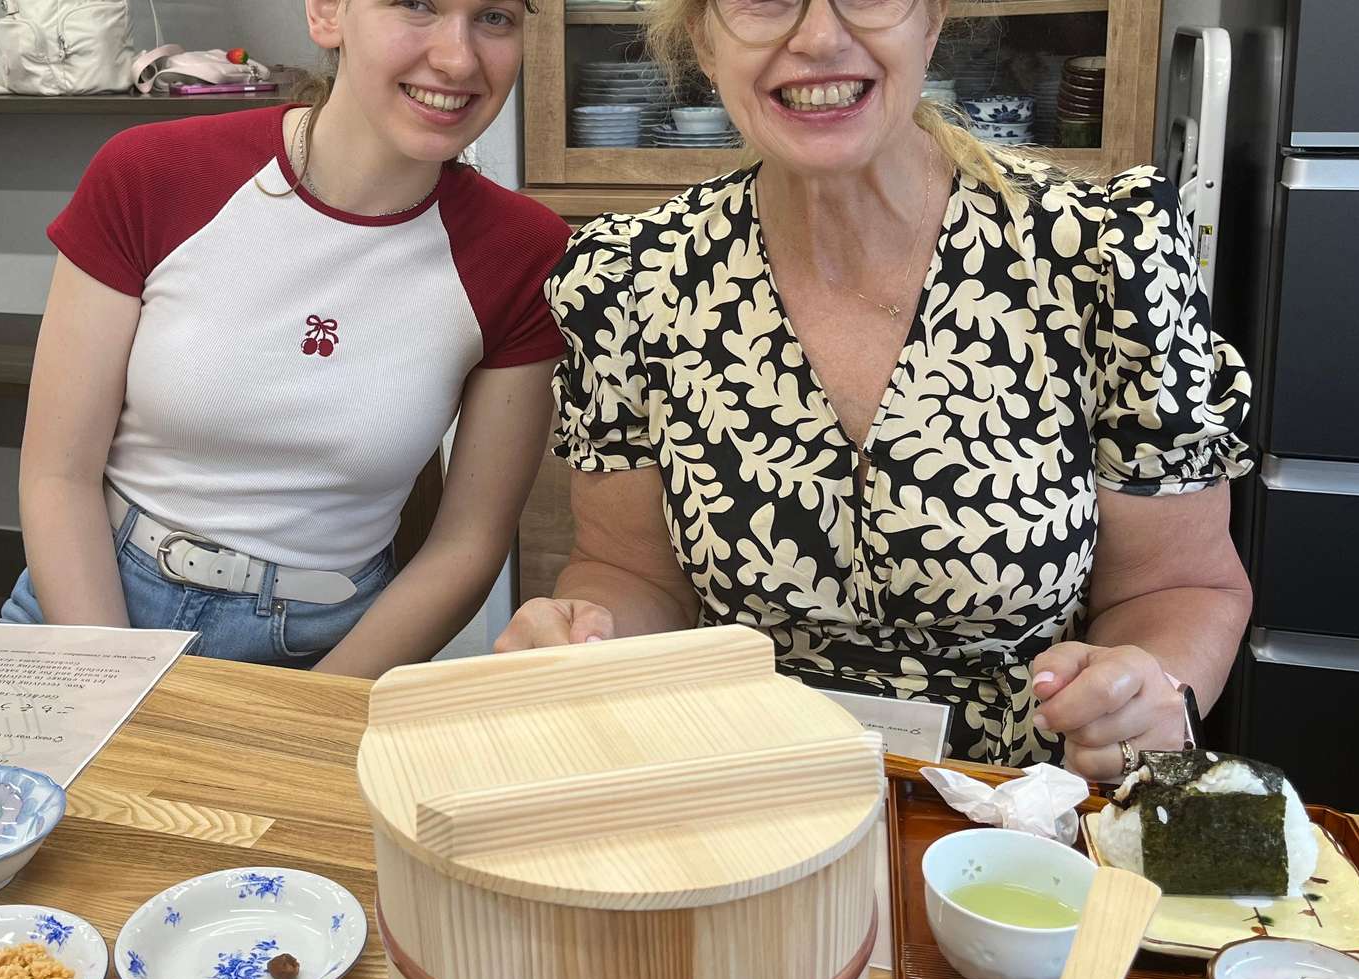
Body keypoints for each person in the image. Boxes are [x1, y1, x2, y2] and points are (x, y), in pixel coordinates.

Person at [495, 0, 1254, 780]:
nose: (820, 38)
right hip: (743, 795)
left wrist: (1146, 691)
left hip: (1016, 821)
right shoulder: (632, 281)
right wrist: (588, 639)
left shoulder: (1100, 261)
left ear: (930, 21)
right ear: (703, 36)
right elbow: (630, 574)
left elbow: (1183, 584)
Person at [5, 0, 567, 677]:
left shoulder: (526, 253)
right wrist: (109, 680)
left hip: (327, 644)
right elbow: (57, 476)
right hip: (89, 606)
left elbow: (468, 544)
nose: (458, 57)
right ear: (329, 13)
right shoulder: (150, 174)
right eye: (417, 4)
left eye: (496, 17)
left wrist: (310, 715)